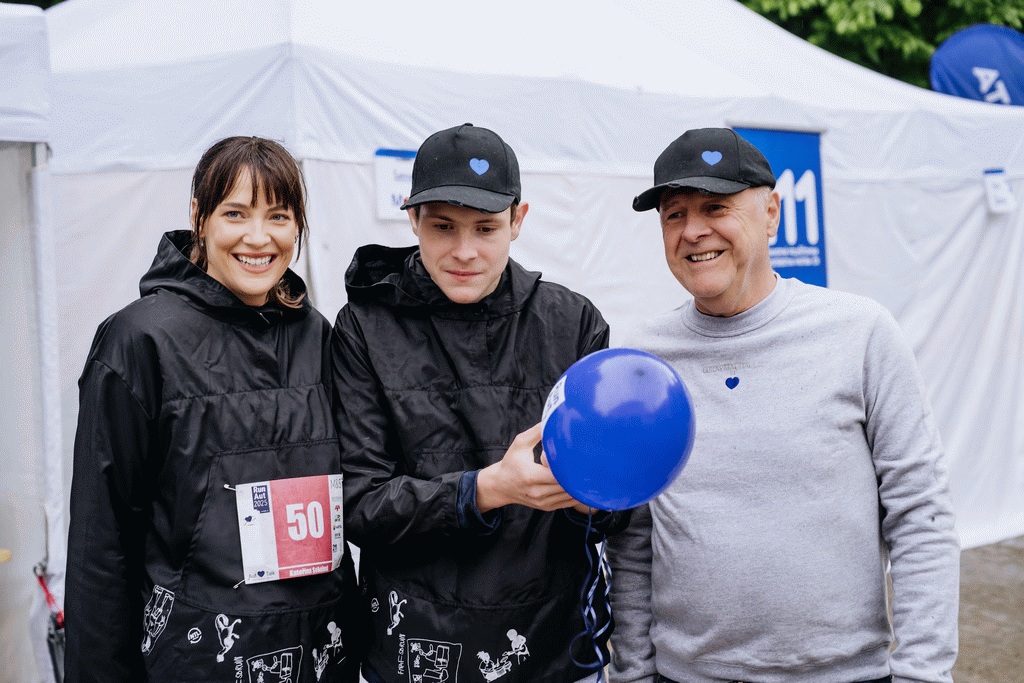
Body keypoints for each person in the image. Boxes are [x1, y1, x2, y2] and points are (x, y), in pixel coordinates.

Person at [606, 127, 960, 683]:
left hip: (843, 676)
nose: (693, 231)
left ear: (771, 214)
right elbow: (634, 537)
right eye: (674, 215)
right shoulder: (642, 361)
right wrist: (633, 672)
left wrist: (922, 673)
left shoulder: (859, 333)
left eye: (715, 207)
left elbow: (921, 513)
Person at [331, 123, 629, 683]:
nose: (464, 251)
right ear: (412, 218)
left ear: (518, 220)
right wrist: (487, 489)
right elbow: (358, 504)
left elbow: (616, 505)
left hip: (554, 651)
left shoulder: (573, 323)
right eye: (443, 227)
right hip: (412, 650)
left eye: (486, 228)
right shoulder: (363, 327)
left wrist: (593, 497)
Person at [65, 136, 364, 682]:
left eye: (279, 215)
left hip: (318, 654)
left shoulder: (316, 335)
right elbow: (100, 540)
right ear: (198, 217)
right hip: (199, 660)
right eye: (236, 213)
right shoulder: (140, 340)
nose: (259, 237)